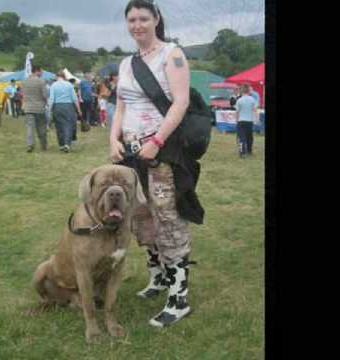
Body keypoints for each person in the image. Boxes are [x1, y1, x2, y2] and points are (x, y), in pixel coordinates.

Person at [110, 0, 196, 327]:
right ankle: (158, 278)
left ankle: (179, 298)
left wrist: (156, 140)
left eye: (143, 18)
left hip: (162, 152)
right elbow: (120, 106)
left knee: (168, 220)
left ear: (156, 19)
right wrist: (113, 139)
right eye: (131, 19)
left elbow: (182, 101)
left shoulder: (171, 54)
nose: (137, 25)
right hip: (130, 154)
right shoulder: (126, 62)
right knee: (141, 217)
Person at [49, 71, 82, 153]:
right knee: (68, 125)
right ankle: (67, 144)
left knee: (59, 126)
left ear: (57, 77)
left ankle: (61, 145)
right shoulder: (69, 85)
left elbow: (52, 99)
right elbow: (74, 98)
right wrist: (79, 109)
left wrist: (49, 109)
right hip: (68, 106)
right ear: (64, 77)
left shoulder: (53, 85)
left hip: (57, 106)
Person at [24, 65, 49, 152]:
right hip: (39, 108)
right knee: (41, 127)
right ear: (37, 71)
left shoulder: (26, 81)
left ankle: (30, 145)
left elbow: (24, 94)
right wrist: (46, 103)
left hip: (28, 108)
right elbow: (45, 95)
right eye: (41, 71)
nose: (42, 73)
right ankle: (43, 145)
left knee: (30, 128)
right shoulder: (41, 81)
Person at [235, 84, 258, 157]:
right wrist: (257, 119)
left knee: (242, 137)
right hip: (250, 121)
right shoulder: (252, 99)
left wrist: (236, 121)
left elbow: (237, 112)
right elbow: (255, 110)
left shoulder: (239, 100)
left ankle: (242, 153)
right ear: (248, 91)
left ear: (242, 91)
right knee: (249, 137)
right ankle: (249, 151)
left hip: (241, 121)